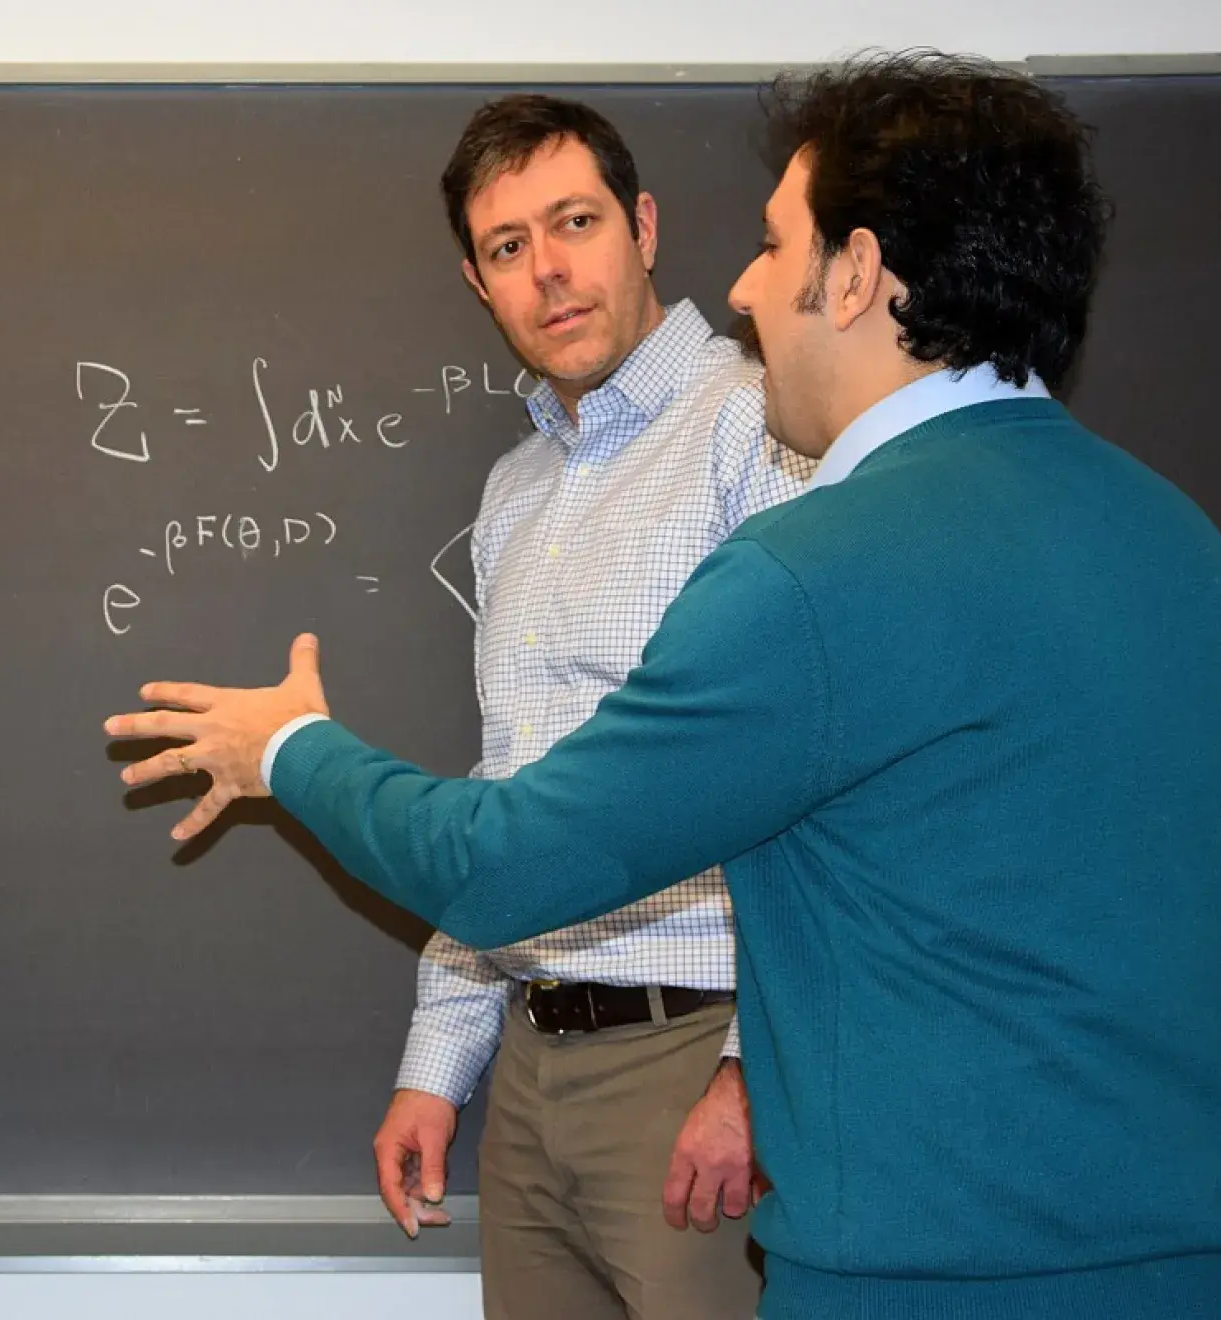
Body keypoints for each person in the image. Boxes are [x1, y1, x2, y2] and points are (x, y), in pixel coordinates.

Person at [107, 52, 1221, 1320]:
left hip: (930, 1271)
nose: (744, 285)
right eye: (507, 244)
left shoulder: (819, 558)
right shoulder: (1188, 548)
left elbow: (510, 856)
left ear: (860, 271)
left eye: (773, 246)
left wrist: (292, 751)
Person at [371, 93, 809, 1320]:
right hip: (530, 1067)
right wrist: (436, 1067)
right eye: (508, 247)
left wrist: (752, 1075)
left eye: (575, 222)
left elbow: (812, 779)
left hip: (694, 1069)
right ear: (477, 281)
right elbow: (508, 796)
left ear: (645, 227)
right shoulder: (514, 494)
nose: (549, 270)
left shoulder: (759, 430)